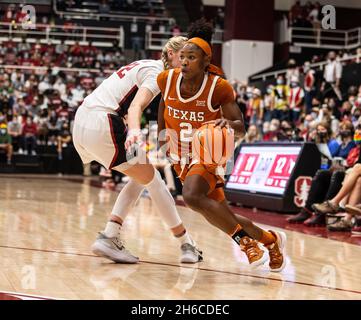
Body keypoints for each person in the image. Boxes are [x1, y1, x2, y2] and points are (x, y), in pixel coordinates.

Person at [155, 19, 287, 272]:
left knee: (192, 196)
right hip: (179, 153)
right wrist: (162, 133)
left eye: (191, 57)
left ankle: (245, 243)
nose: (184, 62)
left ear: (206, 61)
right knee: (219, 214)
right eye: (182, 56)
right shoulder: (166, 79)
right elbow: (163, 104)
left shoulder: (219, 87)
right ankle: (271, 241)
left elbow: (241, 126)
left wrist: (228, 124)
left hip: (208, 149)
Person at [73, 36, 202, 264]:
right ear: (170, 54)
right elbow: (135, 107)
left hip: (83, 122)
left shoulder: (145, 66)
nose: (186, 63)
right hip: (103, 121)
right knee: (155, 181)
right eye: (183, 56)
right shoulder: (156, 74)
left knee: (141, 178)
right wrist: (134, 132)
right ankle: (186, 243)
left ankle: (110, 235)